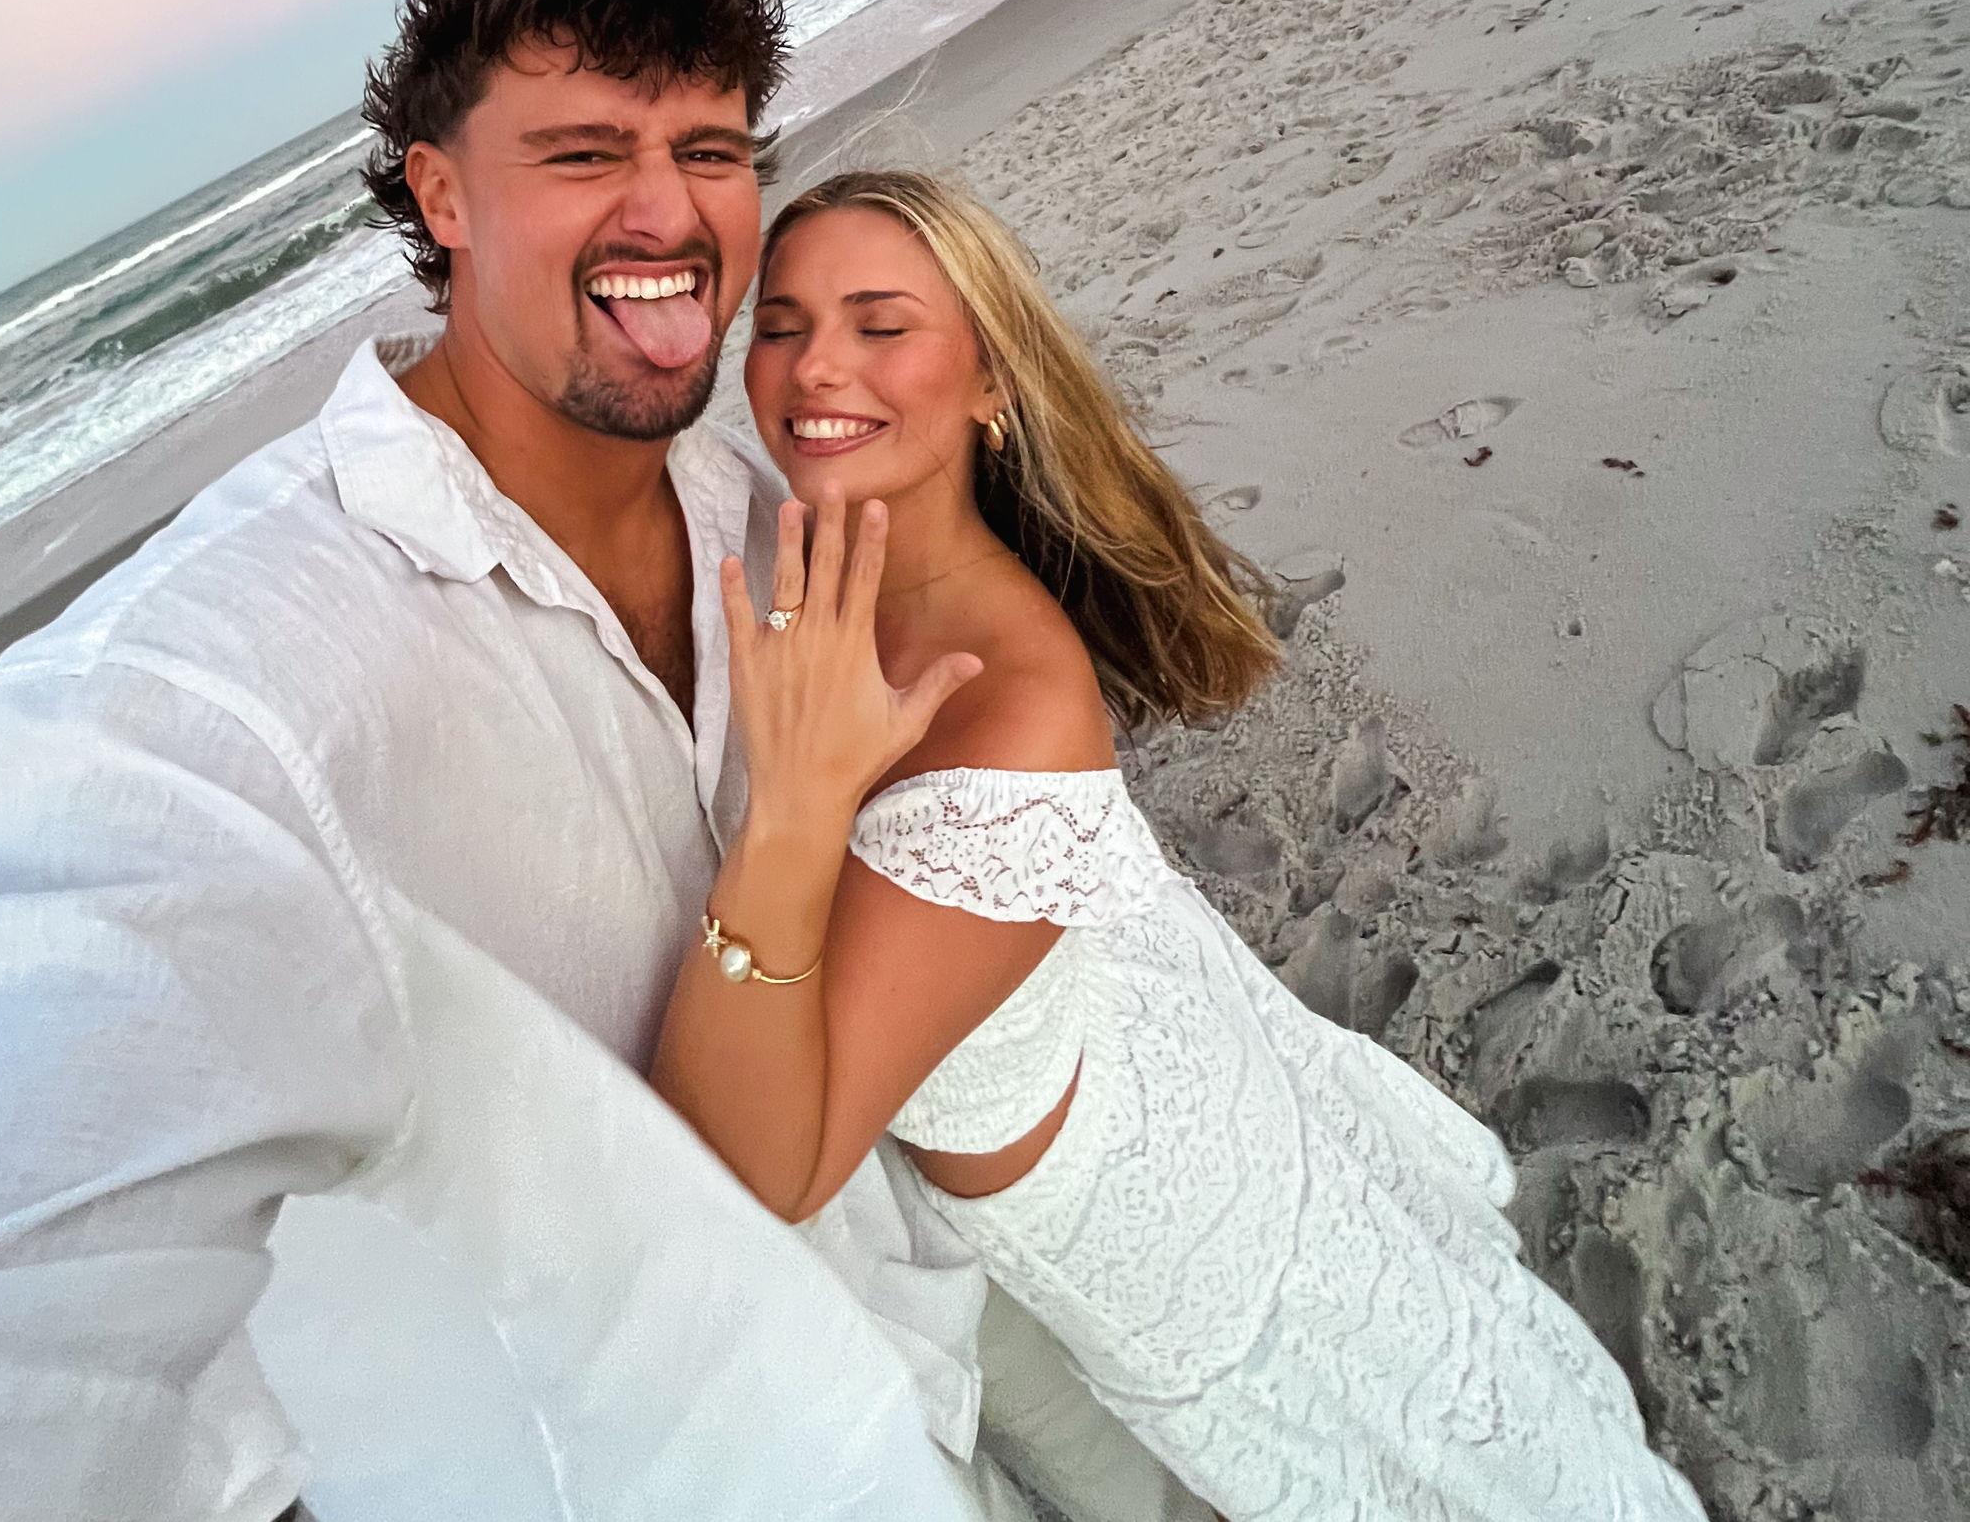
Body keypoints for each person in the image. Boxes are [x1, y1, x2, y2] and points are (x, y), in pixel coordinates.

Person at [0, 0, 1208, 1522]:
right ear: (442, 193)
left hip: (942, 1289)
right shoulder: (218, 678)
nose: (669, 210)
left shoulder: (758, 503)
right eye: (587, 152)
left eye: (710, 150)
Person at [648, 169, 1711, 1522]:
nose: (813, 367)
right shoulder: (851, 578)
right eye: (783, 326)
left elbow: (768, 1170)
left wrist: (795, 811)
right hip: (1155, 1074)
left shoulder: (1007, 719)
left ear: (990, 382)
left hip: (1174, 1240)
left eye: (879, 324)